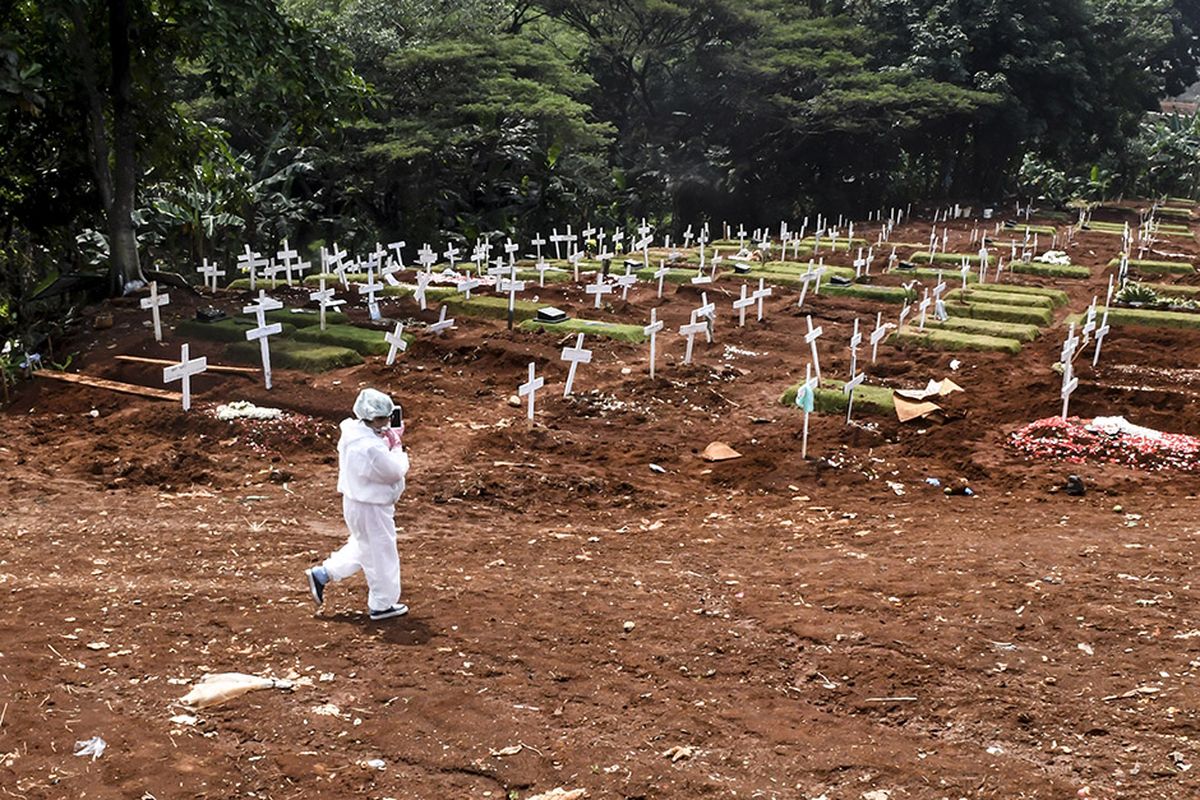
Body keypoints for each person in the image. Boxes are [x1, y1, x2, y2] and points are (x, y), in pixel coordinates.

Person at [305, 388, 410, 620]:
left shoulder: (353, 432)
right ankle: (383, 605)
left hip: (356, 503)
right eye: (381, 419)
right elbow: (394, 471)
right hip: (371, 506)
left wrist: (386, 439)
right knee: (381, 554)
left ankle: (323, 574)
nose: (385, 424)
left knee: (365, 545)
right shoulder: (371, 447)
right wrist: (397, 445)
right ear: (368, 417)